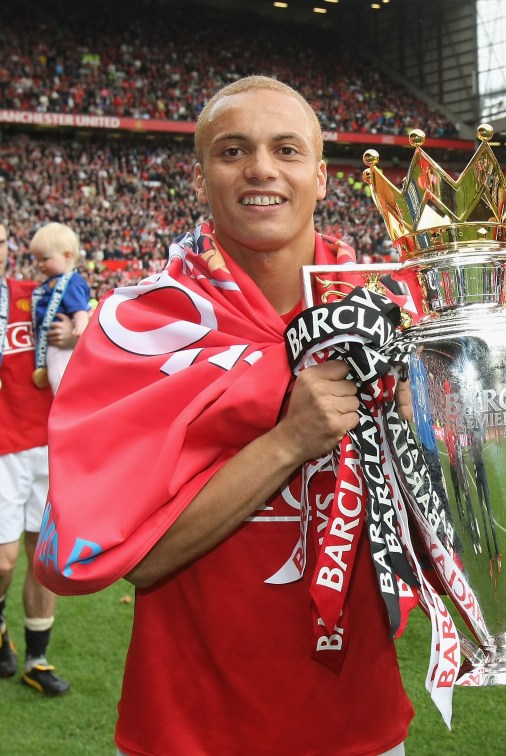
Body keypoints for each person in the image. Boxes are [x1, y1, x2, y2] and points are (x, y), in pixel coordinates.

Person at [33, 76, 415, 754]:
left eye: (286, 150)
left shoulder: (390, 314)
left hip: (358, 718)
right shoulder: (145, 326)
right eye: (234, 150)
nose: (262, 168)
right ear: (203, 178)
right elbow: (141, 563)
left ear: (322, 178)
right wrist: (290, 439)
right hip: (189, 725)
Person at [0, 221, 74, 696]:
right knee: (4, 561)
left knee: (43, 558)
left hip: (50, 446)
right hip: (4, 450)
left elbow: (96, 317)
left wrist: (77, 333)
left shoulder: (37, 294)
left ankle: (37, 659)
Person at [28, 222, 91, 394]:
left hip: (63, 345)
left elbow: (79, 309)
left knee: (61, 381)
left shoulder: (72, 282)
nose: (39, 264)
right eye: (37, 259)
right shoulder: (50, 282)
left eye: (45, 259)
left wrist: (80, 328)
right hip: (54, 343)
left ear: (67, 255)